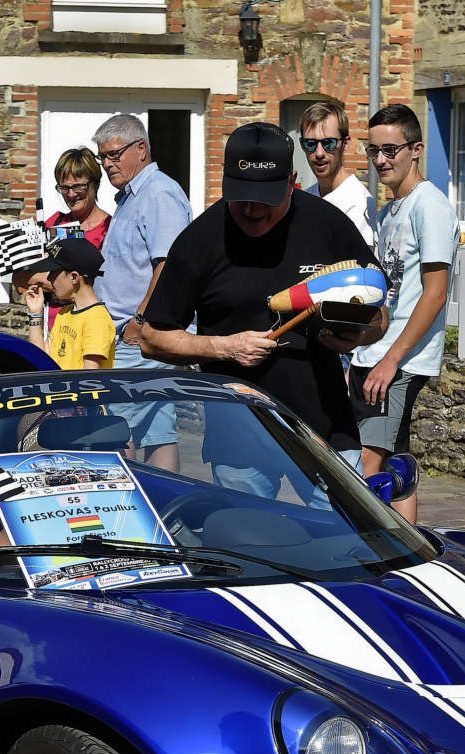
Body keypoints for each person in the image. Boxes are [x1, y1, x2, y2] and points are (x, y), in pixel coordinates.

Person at [138, 122, 383, 499]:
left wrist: (359, 334)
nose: (252, 209)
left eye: (265, 198)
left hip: (325, 429)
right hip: (238, 439)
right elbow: (151, 338)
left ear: (292, 182)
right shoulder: (200, 239)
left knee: (347, 546)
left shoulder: (328, 225)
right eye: (241, 196)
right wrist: (224, 348)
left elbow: (379, 315)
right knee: (253, 545)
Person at [348, 103, 459, 523]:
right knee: (397, 464)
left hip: (399, 361)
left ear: (416, 149)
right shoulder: (391, 208)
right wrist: (359, 355)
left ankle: (363, 556)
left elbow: (434, 294)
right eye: (373, 150)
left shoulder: (429, 206)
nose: (380, 160)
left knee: (364, 466)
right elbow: (387, 293)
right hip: (375, 355)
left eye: (390, 150)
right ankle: (408, 558)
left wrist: (391, 361)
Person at [93, 113, 190, 471]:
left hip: (135, 336)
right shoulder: (131, 196)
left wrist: (139, 322)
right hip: (130, 335)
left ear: (141, 149)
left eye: (114, 155)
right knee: (155, 431)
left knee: (121, 433)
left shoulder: (158, 193)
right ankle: (162, 511)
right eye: (103, 156)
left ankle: (132, 513)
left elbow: (168, 265)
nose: (107, 163)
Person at [22, 238, 113, 371]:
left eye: (54, 272)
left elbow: (90, 380)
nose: (48, 278)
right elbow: (40, 359)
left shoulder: (97, 320)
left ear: (74, 277)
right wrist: (36, 313)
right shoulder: (64, 312)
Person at [299, 101, 375, 248]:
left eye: (329, 143)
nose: (319, 153)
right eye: (310, 144)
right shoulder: (306, 197)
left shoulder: (358, 203)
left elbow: (361, 269)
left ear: (345, 144)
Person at [44, 147, 111, 250]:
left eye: (78, 187)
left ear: (96, 184)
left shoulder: (110, 229)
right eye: (64, 188)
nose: (71, 194)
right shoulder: (54, 223)